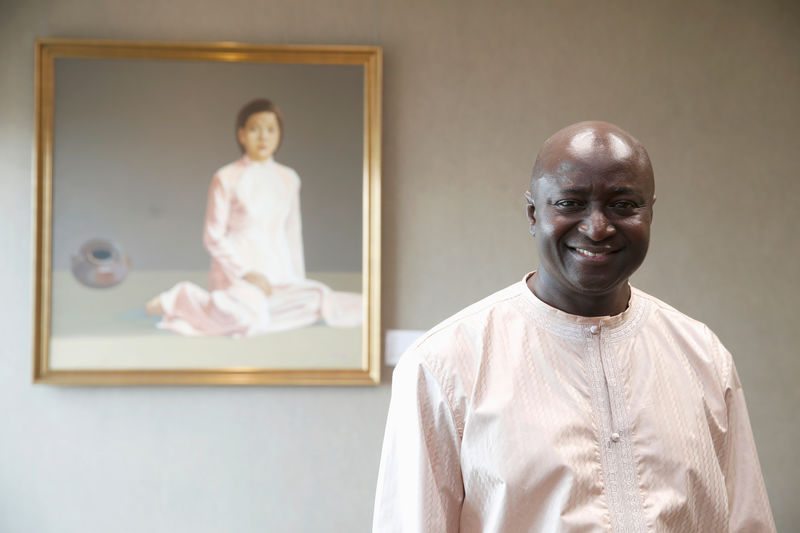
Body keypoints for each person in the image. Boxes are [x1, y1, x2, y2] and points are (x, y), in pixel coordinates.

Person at [372, 121, 775, 532]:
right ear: (533, 213)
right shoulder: (443, 364)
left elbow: (747, 522)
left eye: (623, 204)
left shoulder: (703, 355)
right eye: (570, 203)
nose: (597, 227)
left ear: (650, 211)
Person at [146, 98, 361, 337]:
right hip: (236, 273)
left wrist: (296, 280)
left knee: (318, 299)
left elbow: (291, 233)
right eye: (255, 129)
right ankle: (183, 298)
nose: (263, 137)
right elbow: (213, 237)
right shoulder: (226, 177)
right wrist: (247, 272)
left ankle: (246, 311)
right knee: (250, 318)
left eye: (271, 130)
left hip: (278, 275)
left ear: (279, 135)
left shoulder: (289, 178)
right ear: (241, 135)